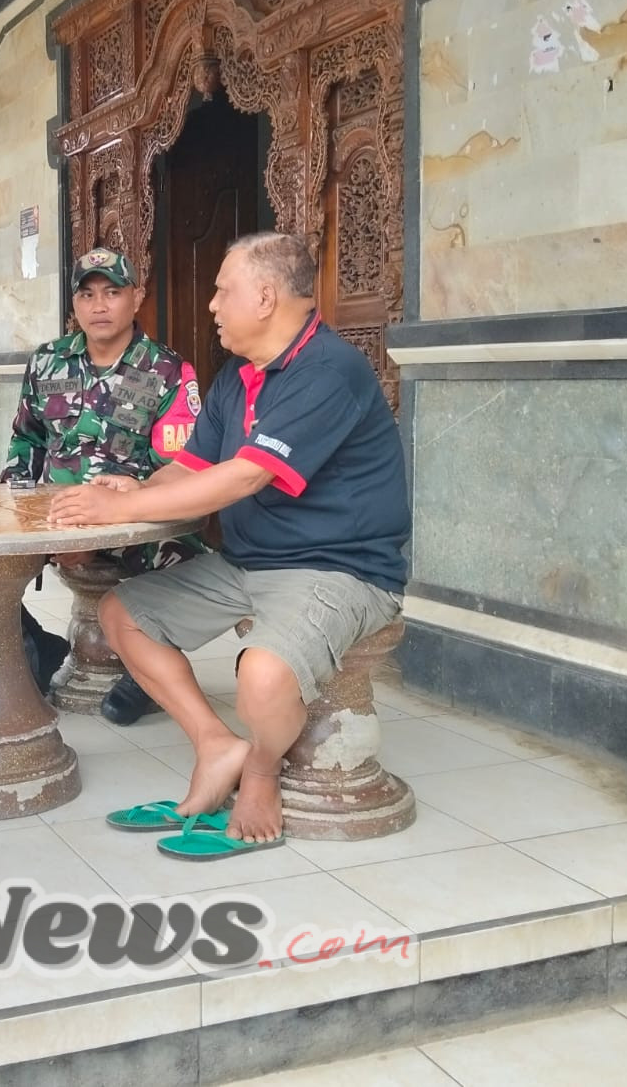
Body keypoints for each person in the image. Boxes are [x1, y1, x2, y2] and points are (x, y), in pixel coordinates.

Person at [49, 233, 409, 856]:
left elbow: (246, 475)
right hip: (249, 563)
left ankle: (261, 773)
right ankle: (217, 745)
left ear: (265, 297)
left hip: (339, 570)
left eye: (222, 290)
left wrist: (127, 506)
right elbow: (191, 468)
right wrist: (132, 485)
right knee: (122, 614)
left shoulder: (328, 369)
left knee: (262, 679)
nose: (212, 304)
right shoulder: (238, 379)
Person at [1, 247, 206, 724]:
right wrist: (23, 514)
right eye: (87, 294)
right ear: (74, 304)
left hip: (134, 519)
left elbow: (177, 469)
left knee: (176, 550)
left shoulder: (168, 371)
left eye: (112, 293)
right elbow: (26, 440)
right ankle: (35, 644)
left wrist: (102, 524)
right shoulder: (48, 361)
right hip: (52, 516)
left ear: (137, 298)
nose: (99, 305)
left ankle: (147, 672)